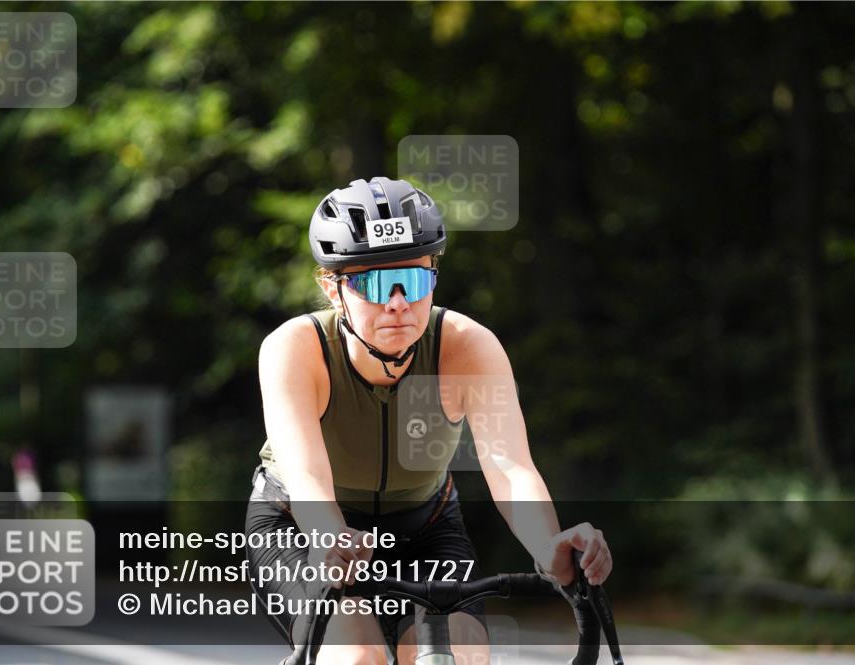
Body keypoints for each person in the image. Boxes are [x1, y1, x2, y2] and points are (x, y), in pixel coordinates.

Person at [245, 177, 613, 665]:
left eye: (414, 281)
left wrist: (548, 544)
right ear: (332, 288)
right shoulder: (294, 349)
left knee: (459, 656)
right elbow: (308, 478)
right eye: (375, 283)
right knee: (356, 657)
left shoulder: (467, 346)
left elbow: (509, 466)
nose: (397, 302)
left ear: (434, 277)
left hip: (424, 527)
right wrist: (330, 540)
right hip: (299, 524)